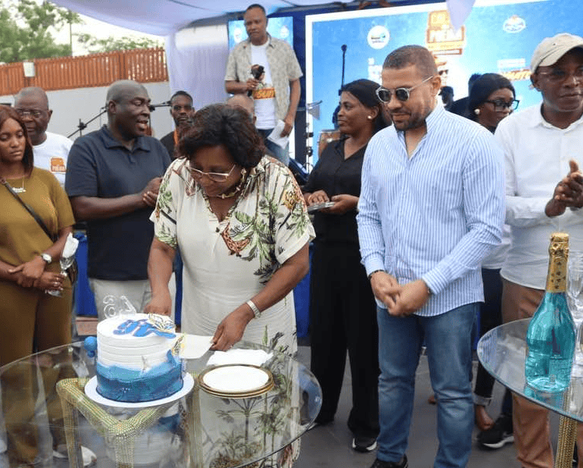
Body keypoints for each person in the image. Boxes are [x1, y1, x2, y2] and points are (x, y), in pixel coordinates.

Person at [357, 45, 505, 468]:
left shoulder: (474, 142)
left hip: (450, 297)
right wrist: (375, 269)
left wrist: (428, 285)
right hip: (390, 291)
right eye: (385, 94)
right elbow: (368, 214)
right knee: (392, 382)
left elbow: (487, 229)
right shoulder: (380, 145)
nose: (392, 104)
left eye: (403, 93)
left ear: (435, 84)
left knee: (453, 392)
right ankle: (390, 458)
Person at [145, 103, 314, 353]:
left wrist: (247, 312)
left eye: (219, 172)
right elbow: (162, 247)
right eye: (197, 168)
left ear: (244, 162)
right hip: (199, 325)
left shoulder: (276, 181)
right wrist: (160, 292)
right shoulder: (179, 174)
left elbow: (297, 264)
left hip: (263, 326)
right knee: (204, 376)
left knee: (260, 378)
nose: (204, 179)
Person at [0, 104, 76, 464]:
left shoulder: (45, 180)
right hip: (9, 291)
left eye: (19, 135)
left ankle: (66, 441)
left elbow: (66, 232)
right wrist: (22, 275)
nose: (15, 143)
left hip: (54, 284)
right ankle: (23, 455)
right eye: (4, 137)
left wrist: (40, 261)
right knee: (17, 374)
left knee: (60, 365)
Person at [494, 33, 583, 468]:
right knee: (531, 386)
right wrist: (548, 206)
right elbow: (497, 204)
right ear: (534, 81)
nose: (573, 82)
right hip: (528, 277)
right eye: (559, 73)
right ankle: (536, 463)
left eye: (581, 72)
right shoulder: (511, 129)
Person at [303, 79, 388, 453]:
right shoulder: (332, 148)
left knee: (364, 342)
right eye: (340, 105)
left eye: (349, 105)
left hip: (364, 257)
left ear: (372, 111)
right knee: (324, 337)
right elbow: (308, 187)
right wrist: (313, 195)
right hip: (325, 254)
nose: (340, 112)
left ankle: (367, 422)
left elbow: (396, 201)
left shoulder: (385, 149)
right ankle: (320, 409)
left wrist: (357, 203)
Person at [66, 80, 171, 317]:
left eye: (147, 104)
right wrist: (141, 198)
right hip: (113, 277)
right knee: (120, 340)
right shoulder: (86, 147)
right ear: (113, 107)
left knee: (160, 339)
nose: (146, 111)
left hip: (159, 274)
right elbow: (80, 207)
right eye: (138, 103)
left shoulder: (155, 147)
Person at [462, 74, 517, 446]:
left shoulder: (512, 139)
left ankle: (482, 402)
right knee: (463, 332)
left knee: (497, 334)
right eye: (498, 102)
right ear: (478, 105)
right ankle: (458, 391)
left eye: (510, 102)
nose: (505, 109)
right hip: (465, 256)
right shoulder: (464, 139)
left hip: (504, 257)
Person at [225, 3, 302, 165]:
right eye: (248, 23)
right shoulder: (238, 51)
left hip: (278, 122)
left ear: (266, 22)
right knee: (249, 168)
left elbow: (295, 82)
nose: (252, 26)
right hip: (248, 124)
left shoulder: (283, 48)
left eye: (257, 22)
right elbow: (228, 85)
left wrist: (291, 116)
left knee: (280, 169)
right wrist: (245, 86)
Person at [14, 86, 73, 188]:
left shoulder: (66, 147)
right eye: (20, 113)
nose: (27, 119)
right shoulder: (4, 150)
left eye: (35, 113)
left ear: (48, 115)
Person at [160, 90, 195, 159]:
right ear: (171, 112)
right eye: (177, 108)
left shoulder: (203, 139)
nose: (182, 111)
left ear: (193, 111)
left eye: (187, 107)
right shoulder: (163, 144)